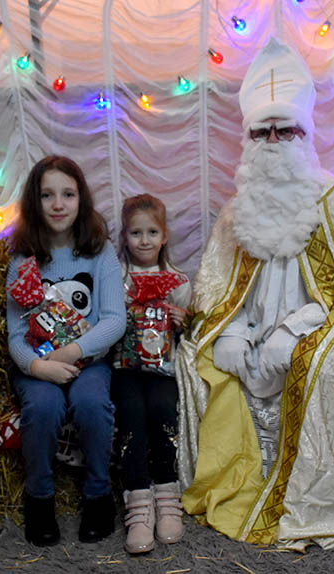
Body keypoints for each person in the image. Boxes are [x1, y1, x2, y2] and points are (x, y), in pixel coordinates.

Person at [174, 38, 334, 550]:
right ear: (249, 138)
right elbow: (220, 290)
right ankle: (228, 478)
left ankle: (308, 495)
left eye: (284, 129)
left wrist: (293, 334)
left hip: (318, 332)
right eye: (262, 131)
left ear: (304, 134)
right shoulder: (237, 212)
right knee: (196, 357)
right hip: (250, 341)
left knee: (316, 364)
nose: (273, 139)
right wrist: (231, 333)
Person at [6, 155, 126, 547]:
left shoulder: (99, 252)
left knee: (91, 406)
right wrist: (39, 368)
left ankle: (98, 496)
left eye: (68, 194)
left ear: (81, 199)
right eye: (47, 195)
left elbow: (112, 321)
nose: (58, 204)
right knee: (42, 409)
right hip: (38, 365)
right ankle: (39, 498)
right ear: (34, 202)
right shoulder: (23, 259)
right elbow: (16, 335)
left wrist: (71, 353)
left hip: (87, 361)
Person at [111, 194, 191, 554]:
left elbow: (192, 331)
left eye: (152, 232)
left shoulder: (178, 282)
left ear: (165, 236)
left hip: (163, 372)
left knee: (163, 413)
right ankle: (138, 504)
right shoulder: (116, 279)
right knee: (131, 418)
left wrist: (182, 321)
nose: (144, 240)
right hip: (124, 370)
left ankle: (168, 495)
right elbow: (105, 324)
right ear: (124, 237)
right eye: (135, 232)